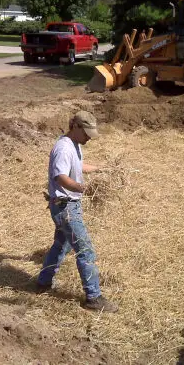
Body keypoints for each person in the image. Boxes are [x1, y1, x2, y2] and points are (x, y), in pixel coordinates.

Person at [37, 110, 118, 313]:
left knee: (61, 245)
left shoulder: (74, 144)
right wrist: (83, 188)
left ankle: (43, 282)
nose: (89, 138)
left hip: (67, 205)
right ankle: (93, 297)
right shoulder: (63, 148)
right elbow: (60, 177)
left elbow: (78, 165)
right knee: (85, 250)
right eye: (87, 134)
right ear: (75, 127)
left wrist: (101, 168)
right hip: (65, 207)